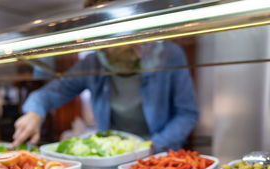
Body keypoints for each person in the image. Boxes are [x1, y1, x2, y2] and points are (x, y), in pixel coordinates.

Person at [12, 0, 199, 153]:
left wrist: (154, 146)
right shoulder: (93, 63)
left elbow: (186, 113)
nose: (136, 51)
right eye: (120, 44)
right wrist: (34, 112)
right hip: (111, 154)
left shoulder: (169, 54)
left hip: (158, 155)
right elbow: (50, 93)